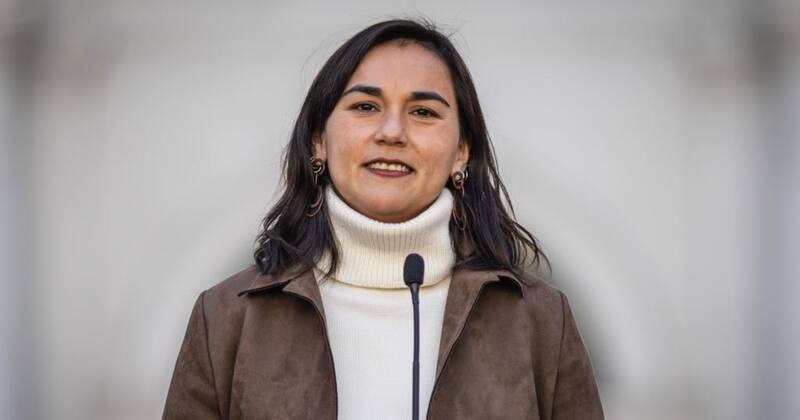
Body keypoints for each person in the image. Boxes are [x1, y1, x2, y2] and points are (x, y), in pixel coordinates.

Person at [162, 18, 604, 420]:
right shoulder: (227, 316)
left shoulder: (540, 319)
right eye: (365, 107)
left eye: (423, 112)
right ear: (318, 140)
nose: (392, 132)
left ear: (462, 151)